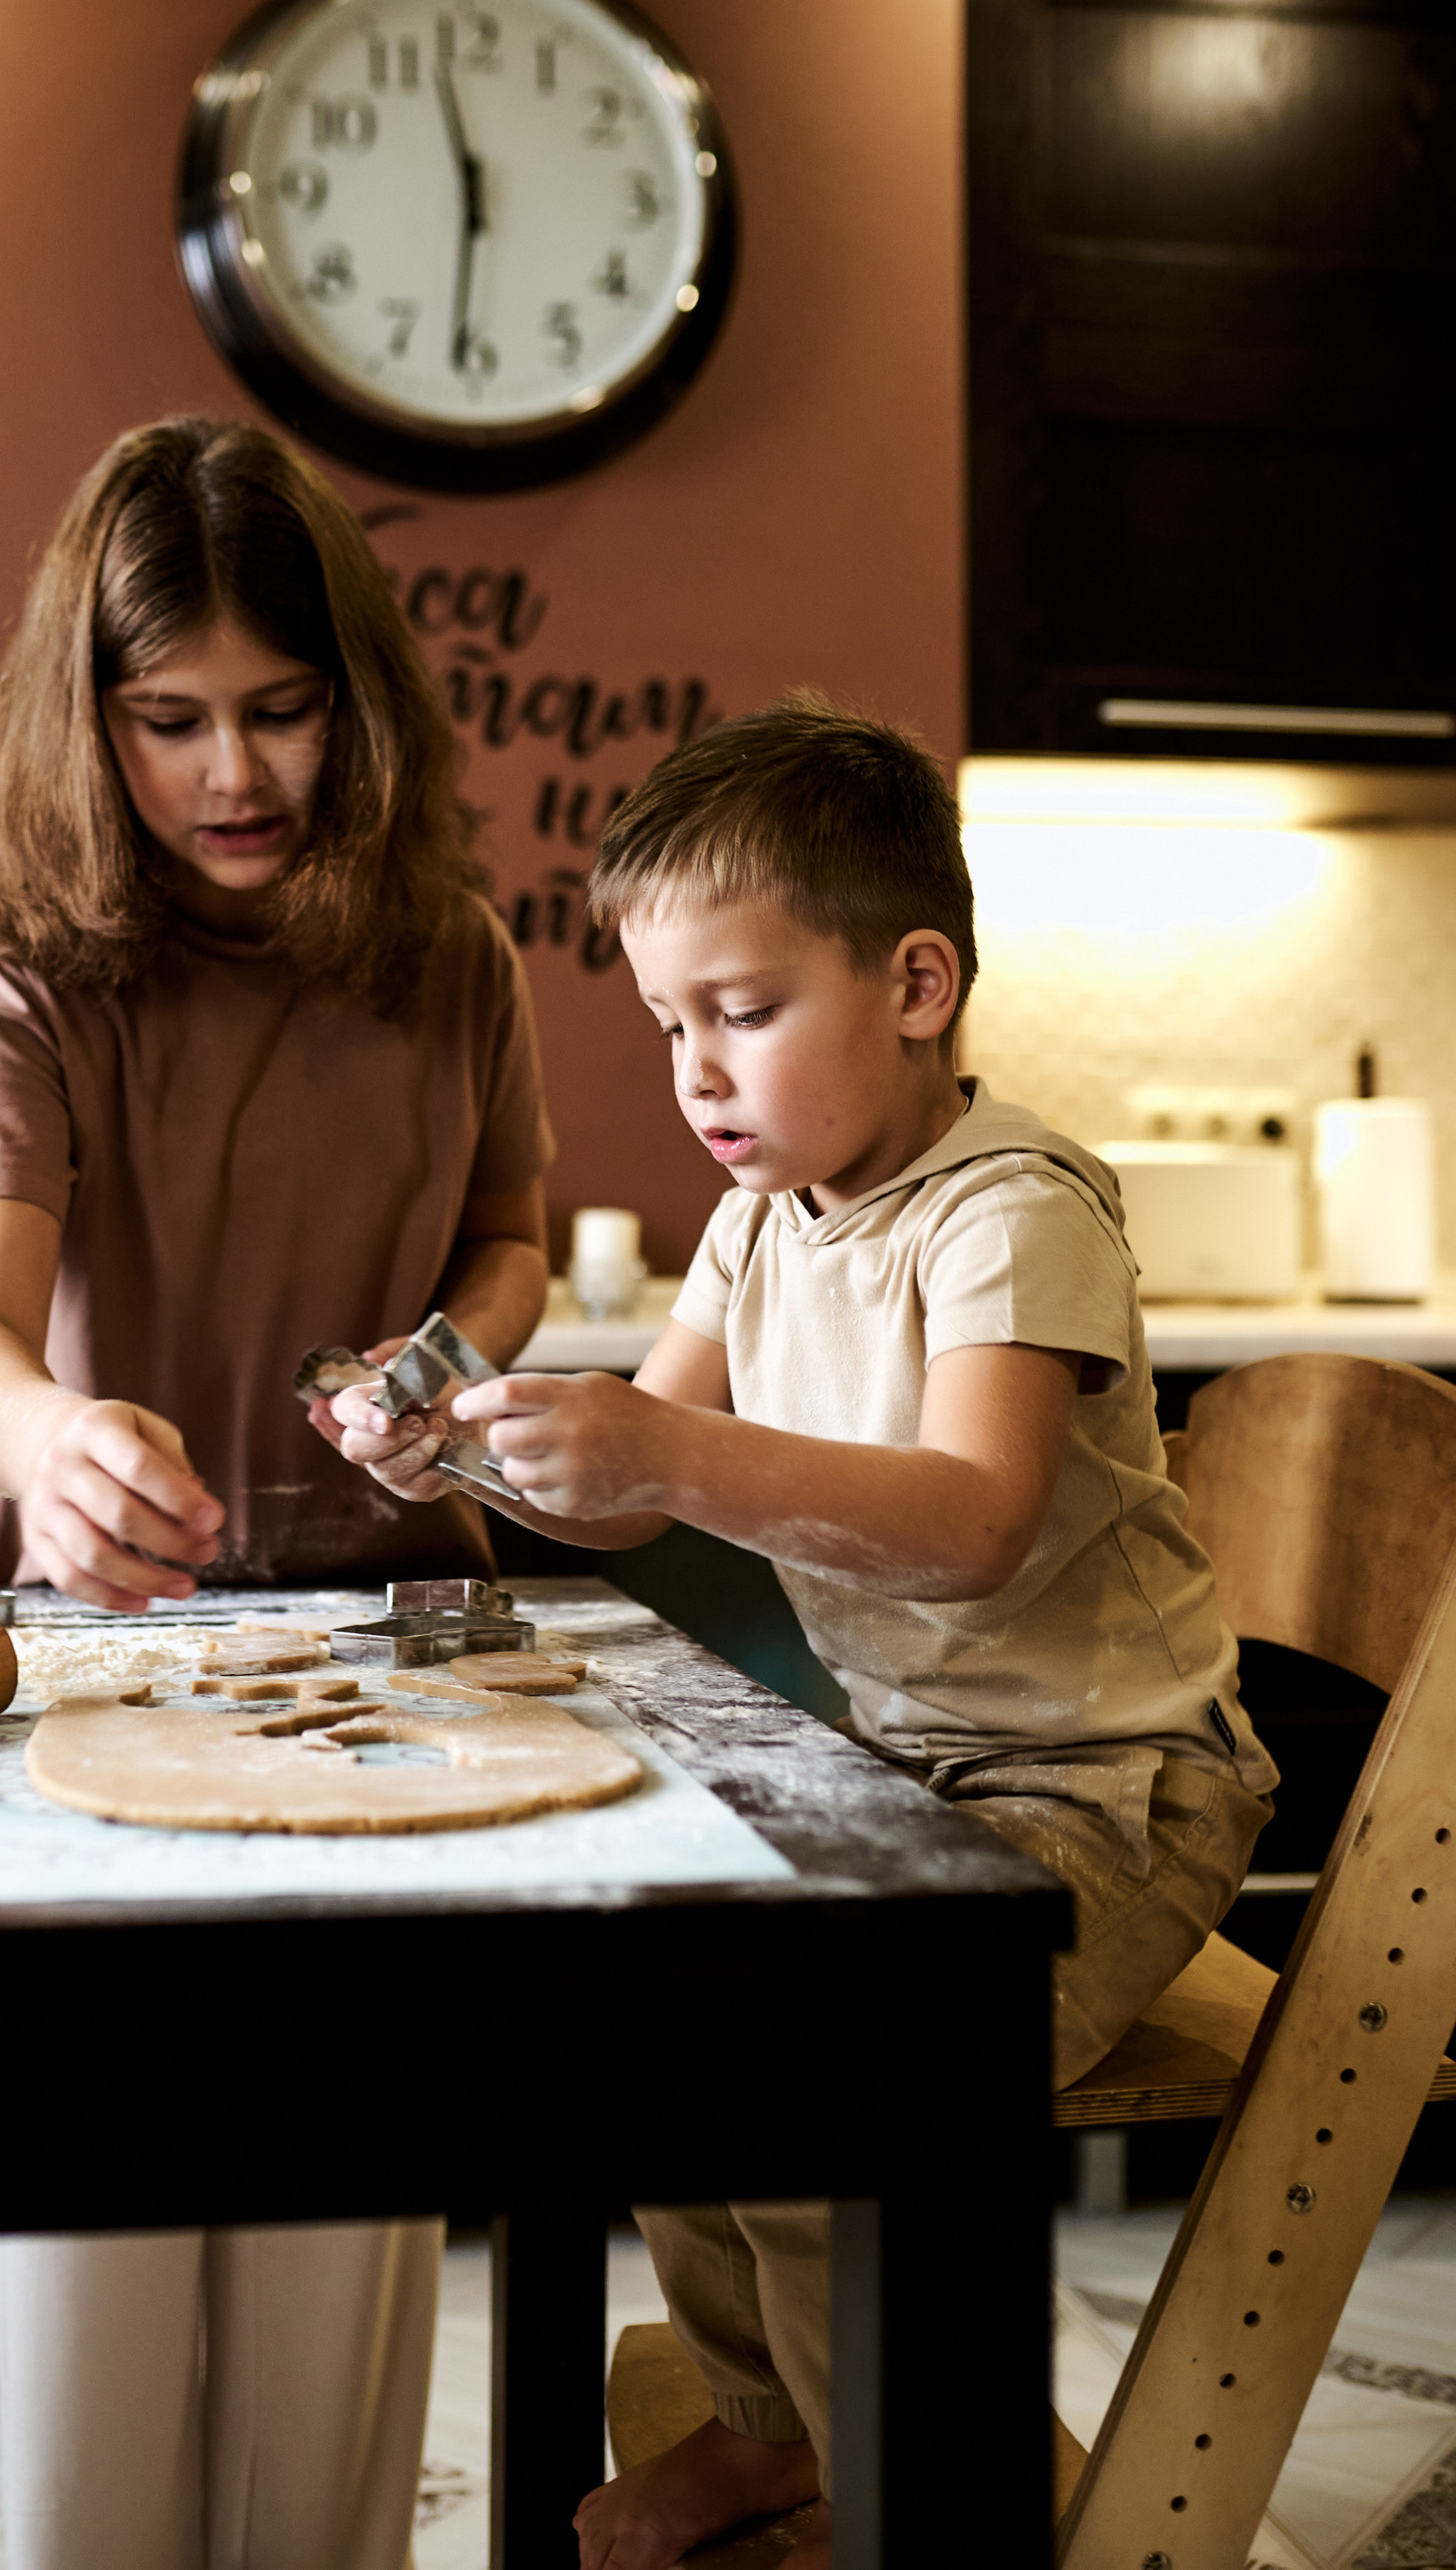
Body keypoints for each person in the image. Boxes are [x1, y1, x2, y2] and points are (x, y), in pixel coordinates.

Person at [322, 690, 1277, 2570]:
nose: (695, 1072)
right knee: (671, 2011)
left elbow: (970, 1526)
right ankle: (777, 2434)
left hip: (1107, 1791)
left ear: (915, 983)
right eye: (666, 1024)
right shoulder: (761, 1220)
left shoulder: (1007, 1213)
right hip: (912, 1777)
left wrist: (659, 1442)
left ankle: (897, 2478)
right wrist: (476, 1454)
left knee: (817, 2070)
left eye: (740, 1012)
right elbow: (637, 1495)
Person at [0, 416, 553, 2570]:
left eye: (281, 710)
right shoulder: (24, 977)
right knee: (103, 2258)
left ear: (356, 702)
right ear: (85, 719)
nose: (232, 774)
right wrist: (51, 1444)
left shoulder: (452, 954)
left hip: (397, 1643)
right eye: (168, 718)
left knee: (337, 2281)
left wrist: (439, 1367)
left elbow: (507, 1241)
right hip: (101, 1654)